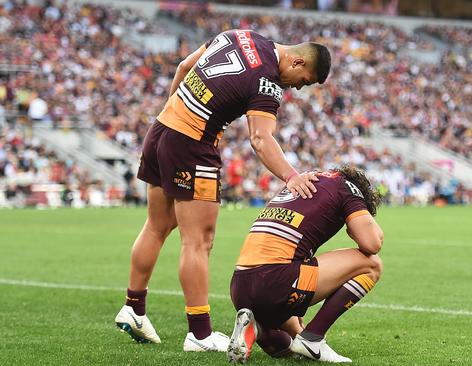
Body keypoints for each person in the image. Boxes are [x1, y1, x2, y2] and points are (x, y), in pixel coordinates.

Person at [114, 29, 331, 352]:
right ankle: (199, 334)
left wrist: (172, 116)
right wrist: (291, 176)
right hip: (191, 145)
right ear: (297, 60)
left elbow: (184, 68)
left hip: (161, 129)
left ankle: (134, 307)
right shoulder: (268, 81)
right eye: (303, 80)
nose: (297, 87)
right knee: (199, 240)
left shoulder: (239, 34)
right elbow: (260, 138)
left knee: (157, 226)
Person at [227, 166, 383, 363]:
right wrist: (355, 229)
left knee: (291, 341)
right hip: (274, 282)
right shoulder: (347, 188)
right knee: (371, 264)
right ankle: (313, 338)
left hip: (240, 288)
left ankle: (256, 328)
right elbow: (372, 243)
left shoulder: (306, 180)